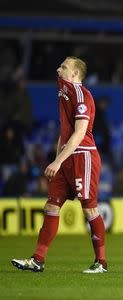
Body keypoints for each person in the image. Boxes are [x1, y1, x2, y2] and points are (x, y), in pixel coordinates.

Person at [11, 56, 108, 274]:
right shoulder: (64, 92)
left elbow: (80, 133)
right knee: (51, 206)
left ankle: (101, 262)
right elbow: (64, 133)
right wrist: (57, 161)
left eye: (63, 67)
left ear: (74, 74)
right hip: (66, 158)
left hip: (83, 157)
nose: (58, 69)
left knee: (89, 209)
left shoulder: (82, 96)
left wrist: (59, 160)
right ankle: (38, 259)